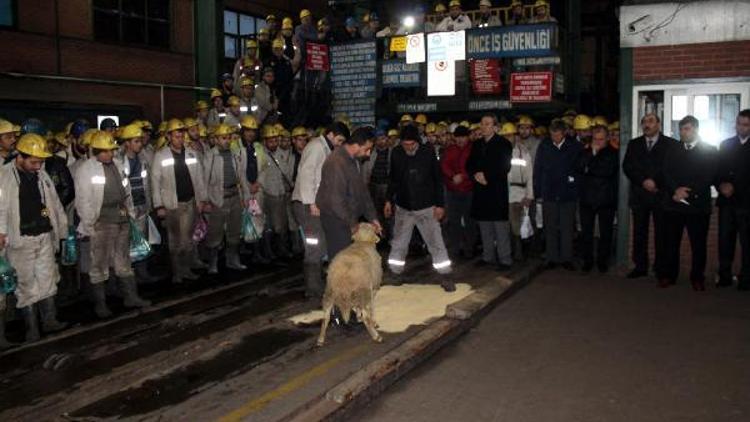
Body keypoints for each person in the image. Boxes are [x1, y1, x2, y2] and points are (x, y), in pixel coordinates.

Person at [0, 133, 69, 342]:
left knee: (48, 279)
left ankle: (49, 320)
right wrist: (1, 232)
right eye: (33, 162)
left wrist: (62, 229)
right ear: (20, 156)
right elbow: (0, 207)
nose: (38, 166)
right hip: (20, 239)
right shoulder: (3, 176)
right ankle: (32, 328)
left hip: (44, 235)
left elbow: (54, 204)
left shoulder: (42, 175)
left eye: (40, 162)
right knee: (26, 284)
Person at [75, 131, 151, 318]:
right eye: (106, 151)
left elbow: (126, 191)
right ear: (96, 151)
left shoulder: (117, 164)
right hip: (102, 222)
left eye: (112, 150)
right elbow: (83, 200)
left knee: (123, 261)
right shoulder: (86, 169)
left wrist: (130, 213)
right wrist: (89, 223)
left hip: (121, 219)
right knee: (99, 264)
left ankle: (130, 297)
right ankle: (101, 304)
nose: (110, 154)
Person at [385, 125, 453, 289]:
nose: (408, 148)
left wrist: (440, 205)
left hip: (426, 207)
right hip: (404, 207)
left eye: (411, 145)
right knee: (399, 242)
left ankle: (445, 275)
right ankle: (395, 272)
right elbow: (393, 179)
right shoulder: (396, 153)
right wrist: (388, 200)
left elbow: (438, 180)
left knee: (435, 241)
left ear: (418, 142)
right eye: (405, 145)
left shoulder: (427, 152)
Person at [660, 116, 719, 291]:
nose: (683, 133)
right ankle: (669, 275)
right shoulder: (672, 149)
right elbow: (666, 172)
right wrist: (675, 191)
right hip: (674, 204)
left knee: (698, 244)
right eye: (681, 129)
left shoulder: (709, 150)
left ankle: (697, 278)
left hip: (698, 205)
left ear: (696, 130)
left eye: (686, 129)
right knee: (670, 243)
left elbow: (708, 176)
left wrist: (689, 192)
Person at [292, 122, 349, 298]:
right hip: (307, 204)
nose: (340, 144)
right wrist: (312, 203)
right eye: (339, 140)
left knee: (321, 243)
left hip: (316, 204)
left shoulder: (325, 148)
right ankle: (313, 288)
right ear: (331, 134)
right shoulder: (316, 147)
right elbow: (306, 175)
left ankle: (317, 283)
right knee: (314, 245)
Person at [151, 119, 209, 284]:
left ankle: (186, 269)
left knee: (188, 239)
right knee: (175, 241)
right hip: (171, 205)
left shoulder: (191, 153)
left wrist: (201, 199)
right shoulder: (160, 156)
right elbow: (155, 182)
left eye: (181, 135)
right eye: (176, 136)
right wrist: (159, 205)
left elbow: (199, 178)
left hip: (189, 202)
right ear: (169, 137)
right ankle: (177, 272)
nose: (180, 139)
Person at [622, 113, 677, 279]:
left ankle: (661, 267)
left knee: (662, 233)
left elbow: (671, 168)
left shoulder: (671, 144)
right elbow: (628, 166)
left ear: (659, 124)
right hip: (640, 195)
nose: (647, 125)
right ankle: (640, 266)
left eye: (651, 121)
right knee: (639, 233)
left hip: (661, 195)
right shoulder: (634, 144)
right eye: (644, 122)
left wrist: (655, 182)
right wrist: (643, 181)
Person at [316, 126, 380, 260]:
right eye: (367, 149)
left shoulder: (354, 161)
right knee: (340, 260)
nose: (368, 154)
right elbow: (336, 200)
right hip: (336, 219)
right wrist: (352, 223)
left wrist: (372, 217)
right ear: (356, 145)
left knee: (348, 258)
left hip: (346, 217)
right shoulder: (336, 162)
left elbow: (362, 191)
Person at [533, 119, 583, 270]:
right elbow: (538, 169)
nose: (554, 137)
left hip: (568, 194)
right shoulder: (545, 146)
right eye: (552, 134)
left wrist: (574, 185)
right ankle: (552, 257)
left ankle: (567, 258)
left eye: (557, 134)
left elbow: (579, 169)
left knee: (567, 227)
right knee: (550, 227)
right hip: (549, 193)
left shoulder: (574, 147)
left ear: (564, 133)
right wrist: (538, 192)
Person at [467, 115, 513, 270]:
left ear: (495, 127)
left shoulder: (504, 144)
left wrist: (487, 176)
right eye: (482, 124)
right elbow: (470, 164)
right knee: (485, 226)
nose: (483, 127)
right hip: (481, 191)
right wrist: (476, 175)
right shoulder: (477, 144)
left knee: (500, 228)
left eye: (487, 124)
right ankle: (488, 257)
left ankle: (505, 259)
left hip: (496, 190)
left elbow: (504, 166)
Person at [203, 124, 249, 274]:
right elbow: (204, 180)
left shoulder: (235, 154)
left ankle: (232, 260)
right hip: (218, 198)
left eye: (229, 137)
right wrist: (205, 201)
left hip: (234, 196)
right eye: (224, 138)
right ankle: (213, 262)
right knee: (215, 233)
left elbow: (242, 177)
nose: (227, 140)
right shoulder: (210, 156)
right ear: (216, 139)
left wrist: (246, 196)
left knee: (234, 231)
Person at [117, 123, 160, 283]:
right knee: (126, 245)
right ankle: (129, 278)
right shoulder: (118, 161)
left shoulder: (142, 159)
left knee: (142, 241)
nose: (140, 144)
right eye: (136, 141)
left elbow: (147, 182)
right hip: (128, 208)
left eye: (140, 141)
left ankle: (143, 274)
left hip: (142, 204)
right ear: (127, 142)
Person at [577, 125, 619, 273]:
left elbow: (606, 171)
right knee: (586, 233)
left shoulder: (613, 153)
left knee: (605, 233)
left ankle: (603, 262)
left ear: (607, 139)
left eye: (601, 139)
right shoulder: (586, 152)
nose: (598, 142)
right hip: (587, 199)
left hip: (606, 199)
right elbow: (579, 167)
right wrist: (592, 155)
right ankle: (587, 261)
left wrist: (590, 167)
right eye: (595, 139)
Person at [716, 109, 750, 290]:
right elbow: (717, 170)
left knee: (747, 243)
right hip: (727, 202)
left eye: (745, 124)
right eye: (739, 123)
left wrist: (735, 186)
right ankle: (724, 276)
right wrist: (721, 185)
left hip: (746, 203)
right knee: (724, 240)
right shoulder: (726, 144)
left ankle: (746, 278)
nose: (741, 128)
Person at [440, 125, 477, 260]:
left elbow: (475, 166)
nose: (460, 140)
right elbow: (444, 165)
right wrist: (452, 176)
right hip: (452, 191)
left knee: (470, 221)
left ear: (468, 137)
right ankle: (455, 249)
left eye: (463, 137)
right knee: (454, 221)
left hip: (469, 190)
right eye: (458, 137)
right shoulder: (450, 150)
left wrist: (463, 176)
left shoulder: (474, 149)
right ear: (454, 137)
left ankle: (469, 249)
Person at [258, 125, 295, 258]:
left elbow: (284, 171)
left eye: (275, 140)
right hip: (268, 194)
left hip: (281, 193)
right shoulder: (261, 154)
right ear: (265, 141)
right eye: (271, 141)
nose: (274, 143)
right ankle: (269, 251)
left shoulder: (278, 153)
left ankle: (281, 251)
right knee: (270, 225)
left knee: (281, 225)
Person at [505, 122, 534, 261]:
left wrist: (529, 195)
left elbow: (529, 175)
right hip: (504, 194)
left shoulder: (523, 153)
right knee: (507, 227)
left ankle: (520, 254)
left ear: (515, 136)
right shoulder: (498, 152)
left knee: (518, 226)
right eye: (504, 136)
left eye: (509, 135)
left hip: (519, 194)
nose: (507, 138)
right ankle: (510, 253)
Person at [363, 128, 394, 242]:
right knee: (375, 212)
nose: (382, 141)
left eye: (384, 138)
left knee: (389, 213)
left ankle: (391, 237)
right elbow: (365, 170)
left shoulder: (393, 152)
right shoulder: (371, 152)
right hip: (374, 185)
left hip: (388, 186)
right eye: (379, 139)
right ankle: (380, 237)